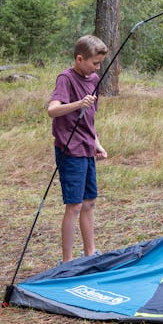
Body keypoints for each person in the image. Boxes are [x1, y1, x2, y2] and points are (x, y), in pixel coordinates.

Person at [47, 34, 109, 264]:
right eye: (94, 63)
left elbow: (89, 119)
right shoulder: (66, 78)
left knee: (89, 202)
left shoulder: (94, 79)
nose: (97, 67)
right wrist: (77, 103)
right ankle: (67, 261)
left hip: (86, 148)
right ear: (80, 58)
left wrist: (97, 143)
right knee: (73, 205)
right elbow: (52, 110)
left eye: (100, 63)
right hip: (69, 150)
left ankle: (90, 253)